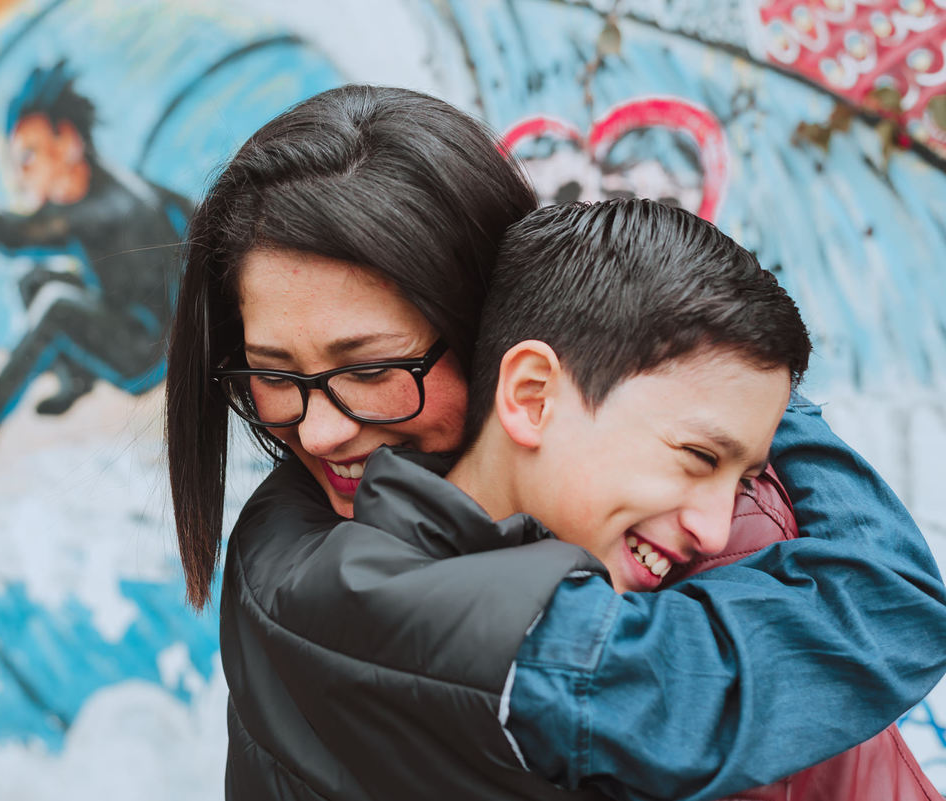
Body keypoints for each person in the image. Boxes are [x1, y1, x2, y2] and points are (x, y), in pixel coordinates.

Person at [164, 85, 946, 798]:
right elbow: (893, 605)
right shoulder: (332, 572)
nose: (322, 429)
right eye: (273, 374)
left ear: (504, 350)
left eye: (370, 369)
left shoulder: (284, 539)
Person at [0, 59, 191, 466]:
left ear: (69, 142)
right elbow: (189, 214)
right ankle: (77, 379)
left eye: (29, 157)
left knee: (55, 305)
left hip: (146, 357)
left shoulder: (100, 209)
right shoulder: (117, 184)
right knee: (36, 281)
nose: (22, 177)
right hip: (133, 321)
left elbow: (13, 236)